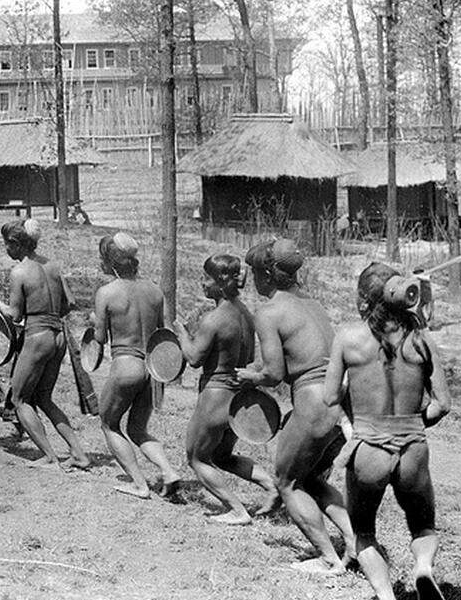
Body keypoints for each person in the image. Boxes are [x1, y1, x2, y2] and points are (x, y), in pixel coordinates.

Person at [325, 263, 451, 600]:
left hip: (368, 448)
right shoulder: (421, 340)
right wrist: (410, 423)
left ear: (365, 299)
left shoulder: (348, 338)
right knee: (422, 525)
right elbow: (442, 403)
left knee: (363, 532)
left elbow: (330, 397)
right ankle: (424, 567)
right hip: (413, 446)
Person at [237, 239, 355, 573]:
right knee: (313, 480)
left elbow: (274, 373)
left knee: (287, 482)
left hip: (315, 401)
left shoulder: (269, 312)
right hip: (342, 402)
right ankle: (355, 543)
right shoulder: (313, 303)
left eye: (254, 273)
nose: (253, 280)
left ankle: (328, 558)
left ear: (268, 275)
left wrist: (250, 376)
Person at [174, 254, 278, 523]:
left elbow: (195, 359)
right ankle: (271, 485)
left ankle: (237, 510)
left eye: (206, 278)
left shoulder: (215, 318)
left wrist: (182, 334)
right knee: (222, 456)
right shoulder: (245, 313)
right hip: (239, 396)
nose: (202, 283)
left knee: (196, 457)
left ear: (220, 282)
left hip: (216, 395)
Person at [0, 218, 90, 471]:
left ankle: (49, 457)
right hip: (58, 336)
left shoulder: (19, 272)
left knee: (19, 399)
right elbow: (70, 304)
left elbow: (14, 315)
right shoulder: (53, 266)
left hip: (37, 337)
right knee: (45, 398)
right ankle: (79, 454)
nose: (6, 250)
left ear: (16, 244)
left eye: (7, 245)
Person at [90, 232, 181, 498]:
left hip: (126, 364)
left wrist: (95, 318)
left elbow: (98, 338)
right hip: (153, 368)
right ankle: (169, 470)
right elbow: (163, 333)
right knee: (139, 429)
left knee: (109, 423)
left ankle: (140, 484)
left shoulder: (106, 292)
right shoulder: (154, 290)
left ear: (109, 262)